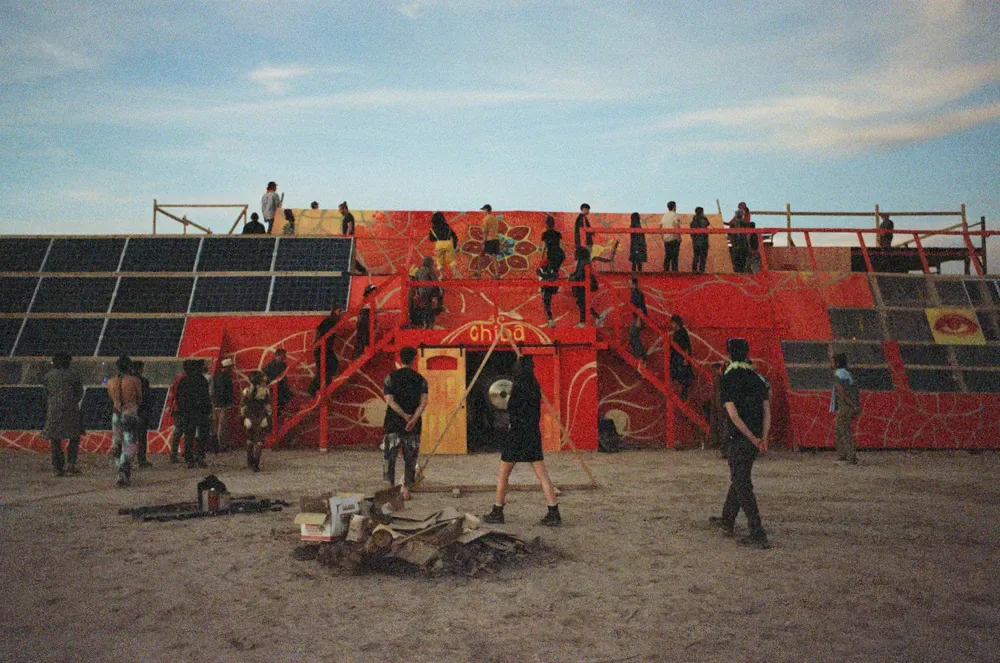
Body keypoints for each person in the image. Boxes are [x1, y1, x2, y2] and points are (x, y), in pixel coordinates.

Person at [482, 355, 561, 526]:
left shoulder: (517, 388)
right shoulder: (535, 386)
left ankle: (498, 511)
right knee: (543, 475)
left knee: (504, 473)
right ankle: (554, 512)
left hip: (517, 434)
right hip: (533, 434)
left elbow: (510, 409)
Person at [710, 338, 771, 549]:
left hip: (739, 438)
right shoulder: (757, 378)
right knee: (740, 477)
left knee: (742, 482)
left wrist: (752, 438)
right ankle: (727, 519)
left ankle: (757, 531)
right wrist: (762, 437)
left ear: (729, 354)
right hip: (754, 438)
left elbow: (733, 416)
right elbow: (766, 412)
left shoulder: (727, 379)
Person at [382, 346, 428, 500]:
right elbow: (423, 403)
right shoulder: (421, 379)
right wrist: (413, 419)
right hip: (413, 427)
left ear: (400, 359)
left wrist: (403, 416)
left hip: (393, 424)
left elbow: (390, 401)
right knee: (410, 459)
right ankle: (406, 489)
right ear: (414, 359)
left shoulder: (390, 378)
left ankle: (389, 489)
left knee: (390, 458)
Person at [41, 352, 83, 477]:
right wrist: (72, 401)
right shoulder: (74, 375)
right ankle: (71, 464)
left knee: (55, 439)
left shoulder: (48, 376)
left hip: (54, 409)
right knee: (74, 436)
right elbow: (79, 392)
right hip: (71, 409)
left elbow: (45, 394)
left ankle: (58, 467)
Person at [107, 355, 143, 487]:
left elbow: (112, 399)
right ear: (129, 366)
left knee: (117, 443)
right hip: (129, 414)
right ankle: (124, 471)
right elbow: (140, 399)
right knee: (129, 444)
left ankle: (119, 472)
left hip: (116, 414)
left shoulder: (110, 382)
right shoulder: (134, 380)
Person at [176, 359, 210, 469]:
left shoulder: (183, 381)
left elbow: (179, 398)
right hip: (201, 412)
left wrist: (183, 410)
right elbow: (206, 398)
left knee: (188, 436)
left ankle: (189, 458)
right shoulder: (202, 380)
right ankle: (200, 456)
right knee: (202, 435)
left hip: (188, 413)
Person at [831, 353, 860, 465]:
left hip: (845, 406)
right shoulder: (848, 374)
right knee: (841, 430)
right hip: (851, 406)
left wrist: (851, 404)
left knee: (844, 431)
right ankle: (844, 456)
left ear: (837, 363)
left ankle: (849, 457)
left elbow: (841, 392)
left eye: (833, 362)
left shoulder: (837, 375)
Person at [241, 370, 271, 472]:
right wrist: (269, 418)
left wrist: (243, 416)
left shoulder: (246, 391)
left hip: (249, 417)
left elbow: (243, 405)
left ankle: (249, 462)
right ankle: (256, 464)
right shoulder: (265, 390)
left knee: (249, 439)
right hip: (261, 417)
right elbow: (267, 406)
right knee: (259, 441)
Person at [309, 308, 342, 396]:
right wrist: (314, 342)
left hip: (327, 349)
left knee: (332, 366)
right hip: (321, 349)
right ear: (333, 312)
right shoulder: (329, 320)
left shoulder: (334, 322)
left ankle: (324, 386)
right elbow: (318, 329)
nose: (340, 313)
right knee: (322, 370)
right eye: (338, 310)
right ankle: (312, 390)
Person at [569, 246, 600, 328]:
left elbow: (579, 274)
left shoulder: (582, 261)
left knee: (582, 303)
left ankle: (583, 322)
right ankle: (596, 317)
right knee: (583, 303)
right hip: (584, 285)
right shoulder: (585, 260)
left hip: (582, 286)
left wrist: (571, 278)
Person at [211, 358, 237, 452]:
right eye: (230, 367)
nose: (232, 369)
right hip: (224, 405)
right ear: (226, 367)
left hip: (217, 403)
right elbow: (223, 391)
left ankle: (219, 444)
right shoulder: (225, 377)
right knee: (222, 426)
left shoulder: (216, 376)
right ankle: (221, 445)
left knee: (219, 425)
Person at [133, 361, 153, 467]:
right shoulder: (143, 381)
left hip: (129, 412)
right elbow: (146, 398)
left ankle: (127, 460)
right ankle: (142, 460)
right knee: (141, 438)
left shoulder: (126, 381)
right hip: (141, 413)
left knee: (129, 438)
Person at [340, 201, 369, 275]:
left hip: (349, 239)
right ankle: (360, 270)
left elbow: (349, 227)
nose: (340, 211)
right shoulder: (347, 217)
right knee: (349, 257)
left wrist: (346, 238)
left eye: (341, 210)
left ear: (345, 209)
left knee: (350, 257)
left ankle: (362, 270)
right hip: (348, 239)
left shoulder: (349, 217)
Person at [413, 256, 442, 329]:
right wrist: (439, 290)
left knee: (426, 306)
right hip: (430, 290)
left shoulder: (418, 271)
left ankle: (427, 323)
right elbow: (436, 282)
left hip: (421, 291)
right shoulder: (430, 270)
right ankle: (439, 307)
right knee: (442, 292)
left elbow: (416, 284)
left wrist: (418, 293)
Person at [429, 211, 460, 278]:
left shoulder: (433, 228)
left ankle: (441, 275)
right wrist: (454, 246)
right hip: (448, 243)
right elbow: (455, 236)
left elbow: (431, 239)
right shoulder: (447, 227)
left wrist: (437, 238)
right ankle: (456, 274)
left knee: (439, 260)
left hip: (439, 244)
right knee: (451, 260)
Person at [669, 315, 693, 399]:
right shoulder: (676, 333)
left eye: (672, 323)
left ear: (676, 323)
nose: (671, 325)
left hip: (681, 357)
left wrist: (686, 358)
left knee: (683, 375)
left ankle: (683, 394)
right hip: (676, 357)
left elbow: (686, 346)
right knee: (677, 374)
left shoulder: (683, 332)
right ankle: (680, 393)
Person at [165, 369, 186, 463]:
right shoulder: (186, 379)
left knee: (178, 431)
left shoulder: (178, 378)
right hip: (182, 408)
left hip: (176, 408)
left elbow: (172, 394)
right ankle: (181, 453)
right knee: (183, 431)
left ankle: (173, 454)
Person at [264, 349, 293, 414]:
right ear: (277, 355)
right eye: (283, 356)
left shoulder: (282, 364)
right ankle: (277, 412)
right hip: (275, 386)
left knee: (283, 399)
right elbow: (266, 374)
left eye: (284, 356)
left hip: (280, 386)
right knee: (279, 400)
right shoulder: (272, 365)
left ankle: (278, 412)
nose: (285, 357)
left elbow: (284, 377)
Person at [477, 204, 501, 278]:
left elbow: (485, 232)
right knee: (494, 257)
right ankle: (497, 274)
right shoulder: (495, 219)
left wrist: (483, 241)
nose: (483, 211)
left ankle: (478, 273)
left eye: (483, 210)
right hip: (496, 240)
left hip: (489, 240)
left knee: (481, 255)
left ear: (486, 210)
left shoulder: (485, 219)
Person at [355, 284, 378, 358]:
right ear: (368, 292)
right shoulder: (366, 300)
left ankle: (361, 354)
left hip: (366, 320)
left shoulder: (371, 300)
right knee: (363, 338)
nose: (374, 292)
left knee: (365, 339)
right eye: (373, 291)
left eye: (374, 291)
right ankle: (359, 355)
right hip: (365, 320)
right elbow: (367, 311)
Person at [628, 277, 648, 359]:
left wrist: (639, 320)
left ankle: (640, 355)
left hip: (639, 317)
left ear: (634, 285)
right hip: (638, 317)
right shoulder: (636, 292)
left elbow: (640, 309)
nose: (628, 285)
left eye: (629, 284)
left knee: (632, 334)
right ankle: (640, 354)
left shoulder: (636, 293)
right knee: (633, 334)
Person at [728, 207, 750, 273]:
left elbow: (729, 233)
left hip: (736, 244)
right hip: (743, 243)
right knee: (743, 259)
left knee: (736, 259)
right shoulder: (745, 223)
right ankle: (742, 271)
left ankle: (737, 271)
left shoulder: (733, 223)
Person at [661, 201, 681, 272]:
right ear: (674, 207)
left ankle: (666, 271)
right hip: (674, 238)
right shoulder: (675, 215)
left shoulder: (664, 216)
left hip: (666, 238)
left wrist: (662, 237)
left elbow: (660, 226)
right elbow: (676, 226)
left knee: (667, 256)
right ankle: (674, 272)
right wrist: (679, 237)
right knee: (674, 257)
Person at [690, 206, 710, 273]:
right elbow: (708, 223)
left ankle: (694, 270)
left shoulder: (693, 221)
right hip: (704, 241)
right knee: (703, 257)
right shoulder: (704, 220)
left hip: (695, 241)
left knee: (696, 256)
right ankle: (701, 271)